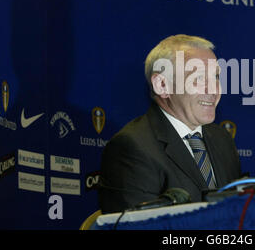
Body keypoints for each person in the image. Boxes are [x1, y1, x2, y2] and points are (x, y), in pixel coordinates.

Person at [98, 34, 242, 213]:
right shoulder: (132, 148)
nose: (213, 89)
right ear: (162, 85)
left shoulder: (222, 139)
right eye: (198, 78)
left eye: (216, 77)